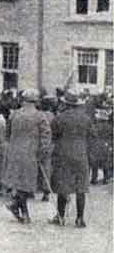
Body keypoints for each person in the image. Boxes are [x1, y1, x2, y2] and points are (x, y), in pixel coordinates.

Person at [2, 89, 52, 224]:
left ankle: (16, 206)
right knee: (25, 184)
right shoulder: (40, 116)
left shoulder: (14, 115)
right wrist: (43, 152)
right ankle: (24, 213)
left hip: (14, 152)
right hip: (31, 153)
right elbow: (46, 136)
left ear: (23, 100)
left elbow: (7, 134)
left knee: (19, 183)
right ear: (35, 101)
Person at [49, 89, 92, 228]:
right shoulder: (86, 119)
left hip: (63, 154)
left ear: (65, 103)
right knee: (81, 187)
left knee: (63, 185)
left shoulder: (59, 118)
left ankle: (60, 217)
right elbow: (91, 136)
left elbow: (53, 137)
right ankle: (80, 219)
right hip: (81, 154)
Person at [37, 95, 56, 201]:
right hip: (50, 144)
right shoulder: (53, 116)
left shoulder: (39, 115)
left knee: (35, 166)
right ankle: (46, 191)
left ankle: (32, 190)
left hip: (38, 143)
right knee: (47, 167)